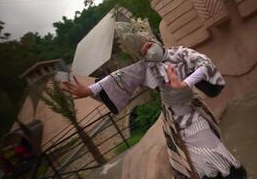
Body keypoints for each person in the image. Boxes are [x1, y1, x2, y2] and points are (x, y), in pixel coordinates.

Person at [63, 40, 246, 179]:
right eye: (144, 51)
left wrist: (185, 83)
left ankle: (231, 173)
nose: (149, 51)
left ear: (156, 41)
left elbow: (204, 65)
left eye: (150, 45)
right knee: (189, 156)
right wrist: (90, 90)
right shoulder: (145, 68)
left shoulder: (180, 53)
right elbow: (117, 77)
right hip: (174, 118)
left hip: (191, 111)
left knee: (210, 144)